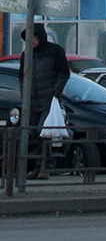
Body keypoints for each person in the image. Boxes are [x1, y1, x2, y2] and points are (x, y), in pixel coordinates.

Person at [17, 23, 70, 179]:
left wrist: (55, 92)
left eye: (33, 38)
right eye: (29, 39)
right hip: (32, 102)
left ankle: (46, 167)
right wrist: (24, 94)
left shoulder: (55, 51)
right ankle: (37, 167)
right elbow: (21, 76)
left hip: (48, 100)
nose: (31, 41)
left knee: (44, 132)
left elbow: (63, 73)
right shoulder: (26, 54)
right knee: (33, 133)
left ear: (40, 36)